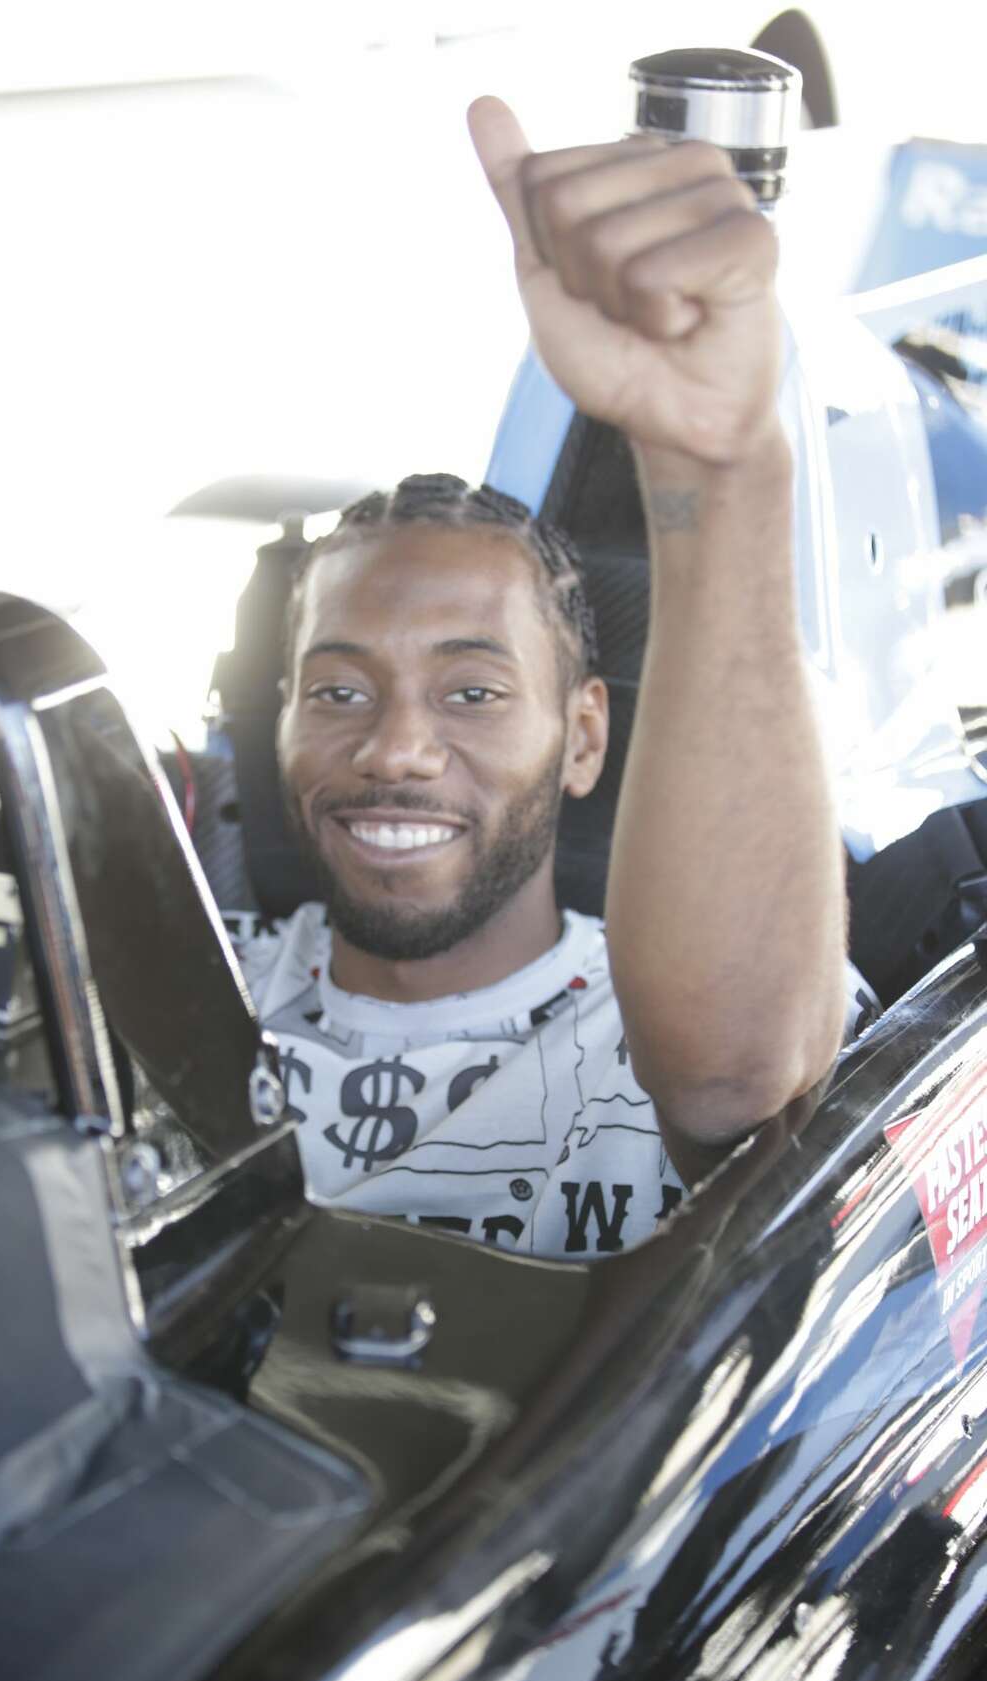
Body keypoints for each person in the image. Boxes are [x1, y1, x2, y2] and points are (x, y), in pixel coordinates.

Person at [235, 100, 851, 1259]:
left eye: (472, 693)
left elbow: (733, 1083)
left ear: (581, 740)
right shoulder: (182, 987)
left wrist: (715, 468)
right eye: (338, 691)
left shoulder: (668, 1009)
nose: (396, 749)